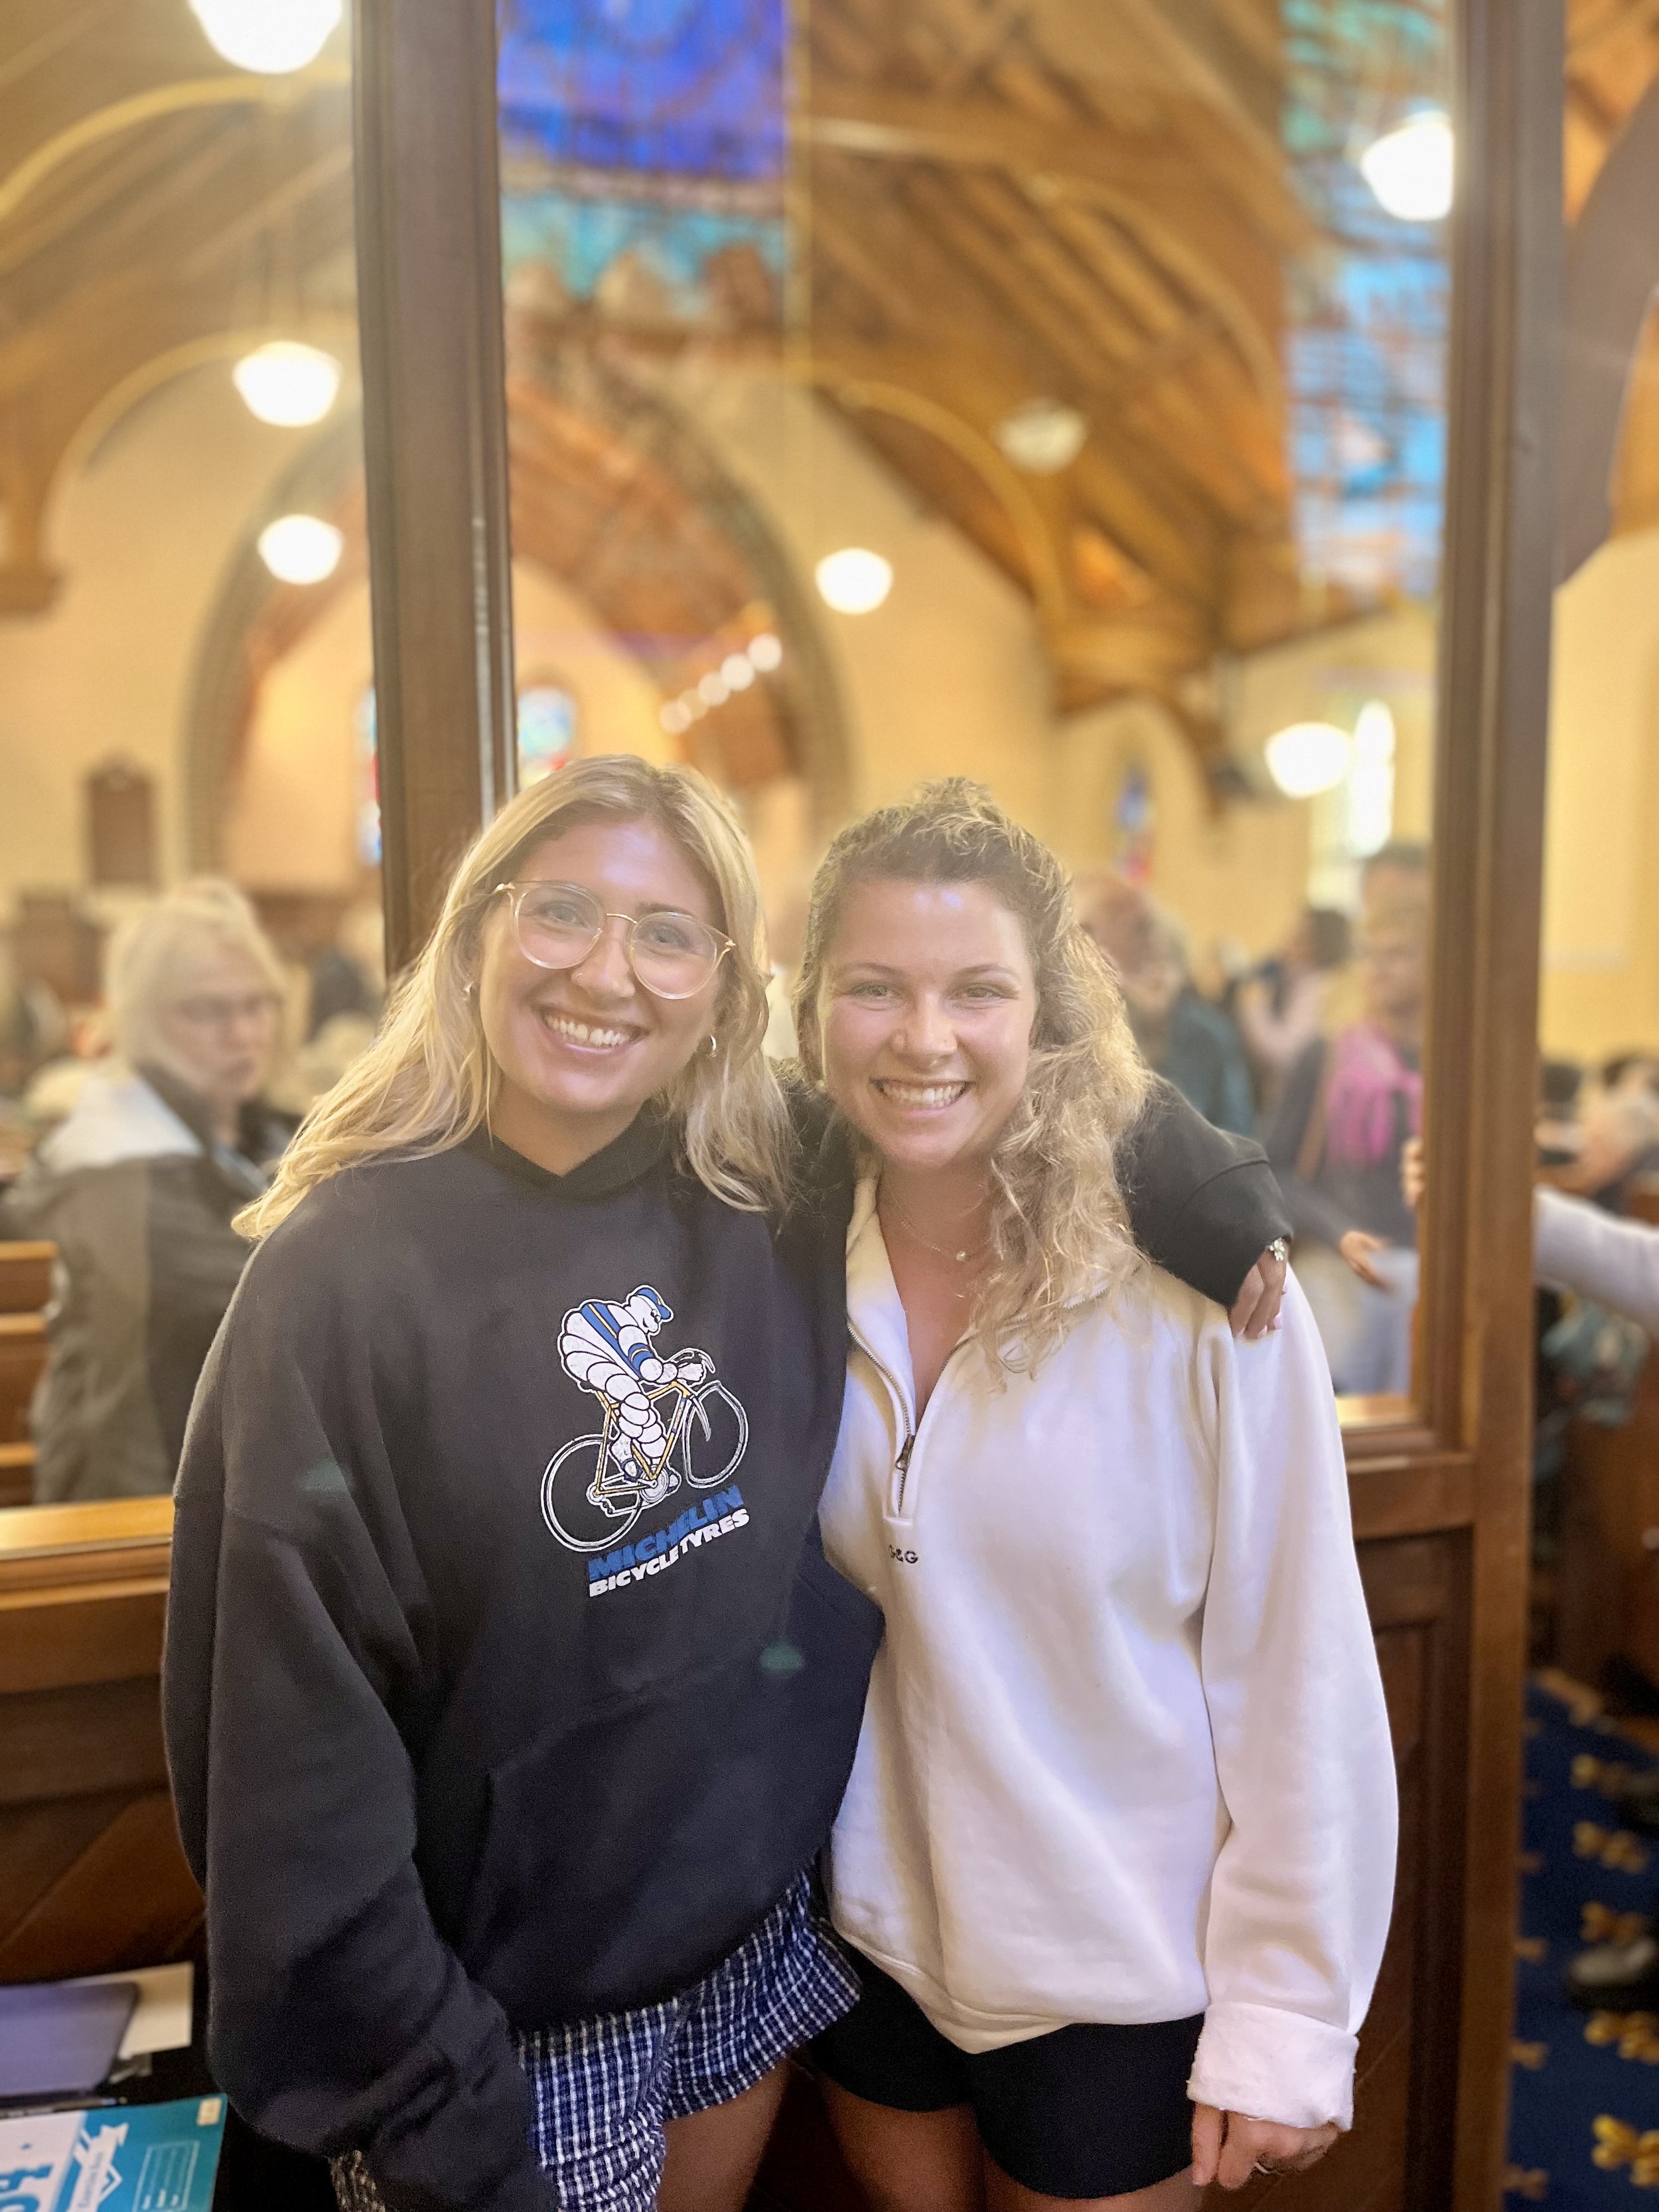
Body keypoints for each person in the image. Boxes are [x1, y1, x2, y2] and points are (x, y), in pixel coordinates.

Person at [163, 758, 1293, 2212]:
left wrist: (1209, 1190)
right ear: (477, 929)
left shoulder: (761, 1173)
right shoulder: (334, 1280)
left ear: (725, 985)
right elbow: (286, 1775)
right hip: (503, 2025)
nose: (606, 971)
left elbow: (978, 1063)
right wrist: (428, 2106)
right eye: (560, 908)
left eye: (667, 932)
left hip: (746, 1954)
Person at [793, 782, 1396, 2210]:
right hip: (866, 1940)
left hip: (1115, 1968)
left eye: (976, 989)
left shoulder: (1203, 1297)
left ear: (1047, 1013)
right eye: (873, 987)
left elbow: (1297, 1664)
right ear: (808, 1008)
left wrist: (1289, 2010)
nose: (923, 1037)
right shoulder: (783, 1251)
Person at [3, 881, 289, 1503]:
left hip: (218, 1467)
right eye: (207, 1010)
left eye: (256, 1004)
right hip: (136, 1489)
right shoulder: (115, 1161)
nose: (243, 1032)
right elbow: (258, 1294)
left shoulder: (249, 1127)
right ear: (142, 1018)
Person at [1263, 896, 1426, 1394]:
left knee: (1419, 1409)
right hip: (1337, 1265)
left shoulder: (1457, 1064)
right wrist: (1340, 1234)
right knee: (1337, 1410)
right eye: (1370, 954)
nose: (1379, 968)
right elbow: (1273, 1169)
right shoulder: (1327, 1056)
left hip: (1428, 1274)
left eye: (1398, 953)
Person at [1076, 874, 1255, 1136]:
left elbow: (1237, 1136)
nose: (1153, 945)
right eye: (1139, 929)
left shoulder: (1205, 1034)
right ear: (1088, 939)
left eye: (1153, 930)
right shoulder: (1066, 1022)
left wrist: (1155, 1024)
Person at [1232, 907, 1351, 1112]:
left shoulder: (1319, 987)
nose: (1291, 941)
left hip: (1297, 1103)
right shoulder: (1296, 979)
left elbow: (1286, 1055)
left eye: (1302, 936)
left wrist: (1253, 1006)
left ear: (1321, 944)